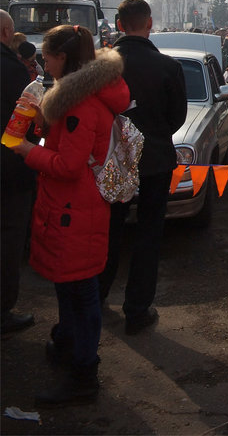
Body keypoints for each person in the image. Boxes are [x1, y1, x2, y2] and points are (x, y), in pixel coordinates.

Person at [9, 24, 130, 406]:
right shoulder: (75, 96)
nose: (43, 64)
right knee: (73, 288)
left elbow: (70, 164)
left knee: (81, 292)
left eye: (47, 57)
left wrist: (29, 150)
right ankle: (68, 347)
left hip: (76, 210)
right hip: (71, 208)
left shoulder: (80, 103)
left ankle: (83, 372)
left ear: (64, 59)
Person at [98, 0, 187, 334]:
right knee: (149, 234)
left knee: (106, 231)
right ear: (149, 24)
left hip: (109, 160)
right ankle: (137, 310)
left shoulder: (100, 65)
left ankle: (97, 295)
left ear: (119, 25)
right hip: (154, 158)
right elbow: (176, 117)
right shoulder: (167, 66)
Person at [0, 11, 37, 336]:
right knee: (8, 239)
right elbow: (21, 126)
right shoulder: (13, 71)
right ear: (7, 33)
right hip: (8, 173)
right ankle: (2, 312)